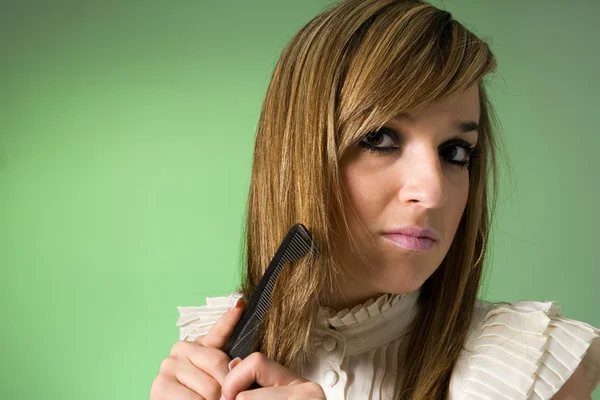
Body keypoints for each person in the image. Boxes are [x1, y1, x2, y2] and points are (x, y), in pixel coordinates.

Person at [150, 0, 600, 399]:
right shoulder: (206, 359)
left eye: (455, 152)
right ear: (300, 154)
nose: (432, 192)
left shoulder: (524, 375)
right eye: (380, 138)